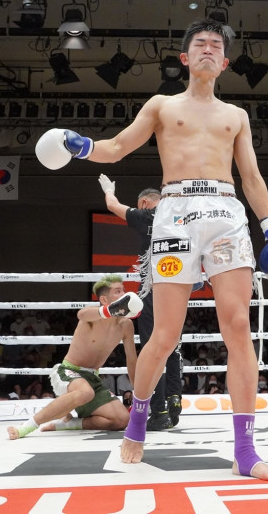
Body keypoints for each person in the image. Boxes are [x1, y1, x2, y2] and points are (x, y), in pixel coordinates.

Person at [34, 18, 268, 481]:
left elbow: (252, 178)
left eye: (216, 45)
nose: (208, 49)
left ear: (225, 62)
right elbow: (117, 147)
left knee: (239, 327)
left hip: (226, 213)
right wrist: (80, 146)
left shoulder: (236, 115)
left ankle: (245, 451)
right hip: (174, 214)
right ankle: (137, 422)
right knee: (165, 335)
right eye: (200, 44)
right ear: (185, 58)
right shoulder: (161, 105)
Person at [7, 274, 141, 439]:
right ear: (104, 299)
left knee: (121, 419)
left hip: (93, 378)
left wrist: (138, 393)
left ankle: (70, 423)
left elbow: (131, 360)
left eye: (124, 290)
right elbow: (81, 314)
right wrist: (109, 311)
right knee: (85, 393)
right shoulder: (91, 317)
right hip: (70, 371)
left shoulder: (125, 324)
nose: (124, 295)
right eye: (117, 291)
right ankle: (26, 426)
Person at [98, 176, 183, 431]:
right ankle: (174, 400)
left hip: (153, 290)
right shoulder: (180, 218)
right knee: (173, 346)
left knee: (152, 349)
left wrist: (109, 190)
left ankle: (159, 412)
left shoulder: (146, 216)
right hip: (178, 291)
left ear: (144, 203)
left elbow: (112, 206)